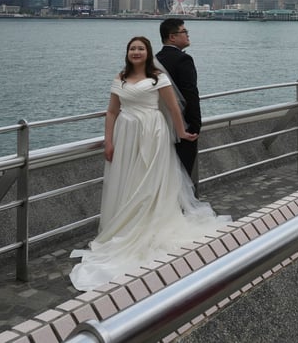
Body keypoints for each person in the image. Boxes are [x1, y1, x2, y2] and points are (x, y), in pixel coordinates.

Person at [69, 36, 230, 291]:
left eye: (140, 48)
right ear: (127, 53)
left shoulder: (158, 78)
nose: (136, 52)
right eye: (132, 48)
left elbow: (173, 107)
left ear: (148, 52)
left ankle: (148, 224)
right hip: (126, 134)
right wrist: (108, 141)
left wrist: (181, 131)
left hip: (153, 134)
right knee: (127, 181)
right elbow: (112, 111)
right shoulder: (120, 77)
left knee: (149, 181)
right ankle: (124, 225)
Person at [157, 18, 201, 175]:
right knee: (182, 176)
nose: (188, 35)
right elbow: (190, 93)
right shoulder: (183, 59)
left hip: (160, 125)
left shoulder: (155, 59)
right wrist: (195, 125)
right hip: (183, 127)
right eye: (184, 32)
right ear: (172, 37)